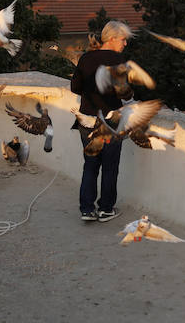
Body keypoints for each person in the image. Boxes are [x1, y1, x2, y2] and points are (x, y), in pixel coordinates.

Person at [70, 20, 133, 222]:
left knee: (90, 165)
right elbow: (124, 93)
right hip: (110, 122)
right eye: (123, 40)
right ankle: (106, 209)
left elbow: (75, 88)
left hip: (87, 120)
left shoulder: (86, 58)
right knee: (109, 166)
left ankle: (87, 210)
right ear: (112, 39)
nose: (125, 44)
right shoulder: (118, 60)